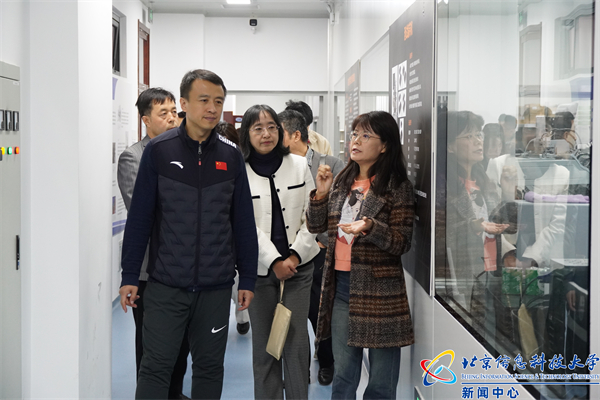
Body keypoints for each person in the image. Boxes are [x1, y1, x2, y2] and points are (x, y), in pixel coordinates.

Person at [119, 69, 258, 400]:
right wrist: (130, 275)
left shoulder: (231, 155)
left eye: (218, 102)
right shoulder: (159, 151)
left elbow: (242, 221)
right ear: (184, 103)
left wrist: (248, 277)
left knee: (209, 368)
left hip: (215, 287)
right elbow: (140, 219)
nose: (212, 108)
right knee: (155, 368)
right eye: (204, 100)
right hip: (166, 286)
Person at [306, 110, 415, 400]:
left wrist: (370, 227)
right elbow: (316, 227)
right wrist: (320, 194)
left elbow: (401, 242)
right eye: (354, 134)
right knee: (343, 376)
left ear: (385, 145)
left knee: (381, 382)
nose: (355, 140)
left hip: (381, 292)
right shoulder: (342, 181)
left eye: (366, 135)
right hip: (341, 287)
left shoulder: (397, 187)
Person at [239, 104, 319, 400]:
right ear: (247, 134)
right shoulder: (240, 171)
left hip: (299, 270)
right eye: (258, 128)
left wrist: (294, 256)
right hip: (260, 273)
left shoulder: (298, 165)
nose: (266, 134)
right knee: (265, 349)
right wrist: (274, 261)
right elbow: (243, 224)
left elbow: (313, 217)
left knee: (296, 347)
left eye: (272, 127)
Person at [117, 88, 191, 400]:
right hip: (150, 270)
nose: (172, 118)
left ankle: (174, 393)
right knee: (151, 344)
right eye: (164, 113)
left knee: (181, 342)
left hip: (183, 268)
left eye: (174, 111)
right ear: (146, 120)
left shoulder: (185, 153)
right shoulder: (133, 157)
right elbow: (144, 211)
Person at [278, 109, 344, 385]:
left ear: (295, 135)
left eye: (278, 132)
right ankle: (297, 370)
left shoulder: (332, 164)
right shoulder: (277, 166)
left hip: (319, 252)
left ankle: (326, 362)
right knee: (290, 315)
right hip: (287, 253)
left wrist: (321, 241)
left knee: (320, 312)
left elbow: (342, 209)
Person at [443, 111, 508, 344]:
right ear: (450, 146)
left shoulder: (485, 182)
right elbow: (442, 232)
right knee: (473, 336)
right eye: (469, 136)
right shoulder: (446, 187)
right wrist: (472, 225)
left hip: (492, 269)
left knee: (493, 334)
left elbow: (501, 224)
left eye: (478, 135)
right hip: (466, 273)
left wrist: (508, 191)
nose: (478, 141)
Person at [214, 120, 250, 335]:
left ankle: (242, 317)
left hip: (239, 233)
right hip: (219, 236)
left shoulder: (242, 167)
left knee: (239, 281)